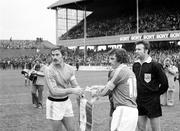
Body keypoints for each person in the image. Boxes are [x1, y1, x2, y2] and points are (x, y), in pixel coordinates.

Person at [92, 48, 138, 131]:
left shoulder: (118, 71)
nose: (109, 61)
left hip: (124, 110)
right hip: (132, 110)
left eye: (112, 58)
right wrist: (100, 87)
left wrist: (95, 93)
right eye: (109, 58)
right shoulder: (128, 71)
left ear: (120, 59)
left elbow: (105, 92)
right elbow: (117, 87)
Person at [44, 46, 84, 131]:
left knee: (72, 129)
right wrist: (73, 90)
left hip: (66, 102)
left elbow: (74, 84)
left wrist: (80, 91)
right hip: (54, 104)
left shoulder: (70, 68)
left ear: (64, 55)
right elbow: (54, 91)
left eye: (57, 54)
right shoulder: (49, 70)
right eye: (53, 55)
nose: (54, 57)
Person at [132, 41, 169, 131]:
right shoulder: (135, 65)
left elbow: (165, 84)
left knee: (155, 129)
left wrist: (155, 95)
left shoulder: (155, 65)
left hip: (152, 102)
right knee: (141, 128)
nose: (136, 51)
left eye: (139, 49)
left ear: (146, 50)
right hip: (139, 101)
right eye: (136, 49)